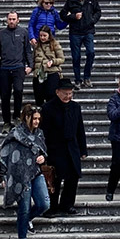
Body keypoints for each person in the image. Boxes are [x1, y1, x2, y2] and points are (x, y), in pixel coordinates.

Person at [0, 104, 49, 239]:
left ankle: (27, 221)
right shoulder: (15, 134)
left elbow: (43, 150)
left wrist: (42, 158)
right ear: (27, 117)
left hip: (35, 172)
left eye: (39, 119)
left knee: (44, 204)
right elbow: (4, 154)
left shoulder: (39, 133)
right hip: (20, 174)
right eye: (34, 119)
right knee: (24, 208)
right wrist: (2, 175)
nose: (37, 122)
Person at [40, 78, 87, 215]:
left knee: (73, 178)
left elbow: (80, 129)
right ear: (57, 92)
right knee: (54, 179)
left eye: (70, 93)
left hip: (72, 147)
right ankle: (52, 206)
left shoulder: (75, 107)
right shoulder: (47, 108)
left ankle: (67, 204)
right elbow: (44, 132)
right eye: (65, 93)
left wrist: (83, 149)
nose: (68, 96)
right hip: (55, 148)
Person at [0, 11, 33, 128]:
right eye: (10, 19)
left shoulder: (23, 32)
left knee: (18, 90)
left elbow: (28, 50)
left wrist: (30, 65)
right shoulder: (0, 34)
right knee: (5, 96)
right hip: (4, 68)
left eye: (14, 19)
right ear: (7, 20)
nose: (12, 21)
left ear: (18, 20)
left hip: (18, 67)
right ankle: (6, 122)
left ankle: (17, 116)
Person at [60, 0, 102, 88]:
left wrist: (93, 20)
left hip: (88, 31)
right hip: (75, 32)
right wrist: (73, 16)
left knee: (91, 52)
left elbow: (98, 11)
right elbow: (63, 15)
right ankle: (78, 79)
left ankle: (87, 77)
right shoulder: (71, 1)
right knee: (76, 57)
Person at [32, 25, 66, 105]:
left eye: (44, 36)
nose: (42, 38)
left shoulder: (55, 44)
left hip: (52, 73)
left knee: (51, 96)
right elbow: (33, 59)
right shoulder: (36, 46)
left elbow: (61, 58)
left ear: (49, 35)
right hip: (39, 74)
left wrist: (53, 61)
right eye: (40, 35)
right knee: (38, 96)